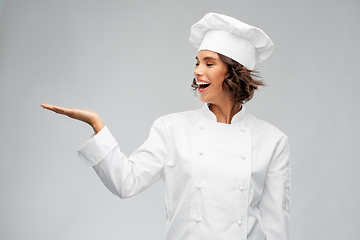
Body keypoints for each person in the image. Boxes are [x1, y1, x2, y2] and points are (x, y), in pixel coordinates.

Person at [41, 12, 290, 240]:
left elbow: (275, 225)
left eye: (209, 63)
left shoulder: (271, 141)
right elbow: (126, 182)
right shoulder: (172, 129)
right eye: (197, 62)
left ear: (236, 71)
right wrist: (97, 124)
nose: (197, 71)